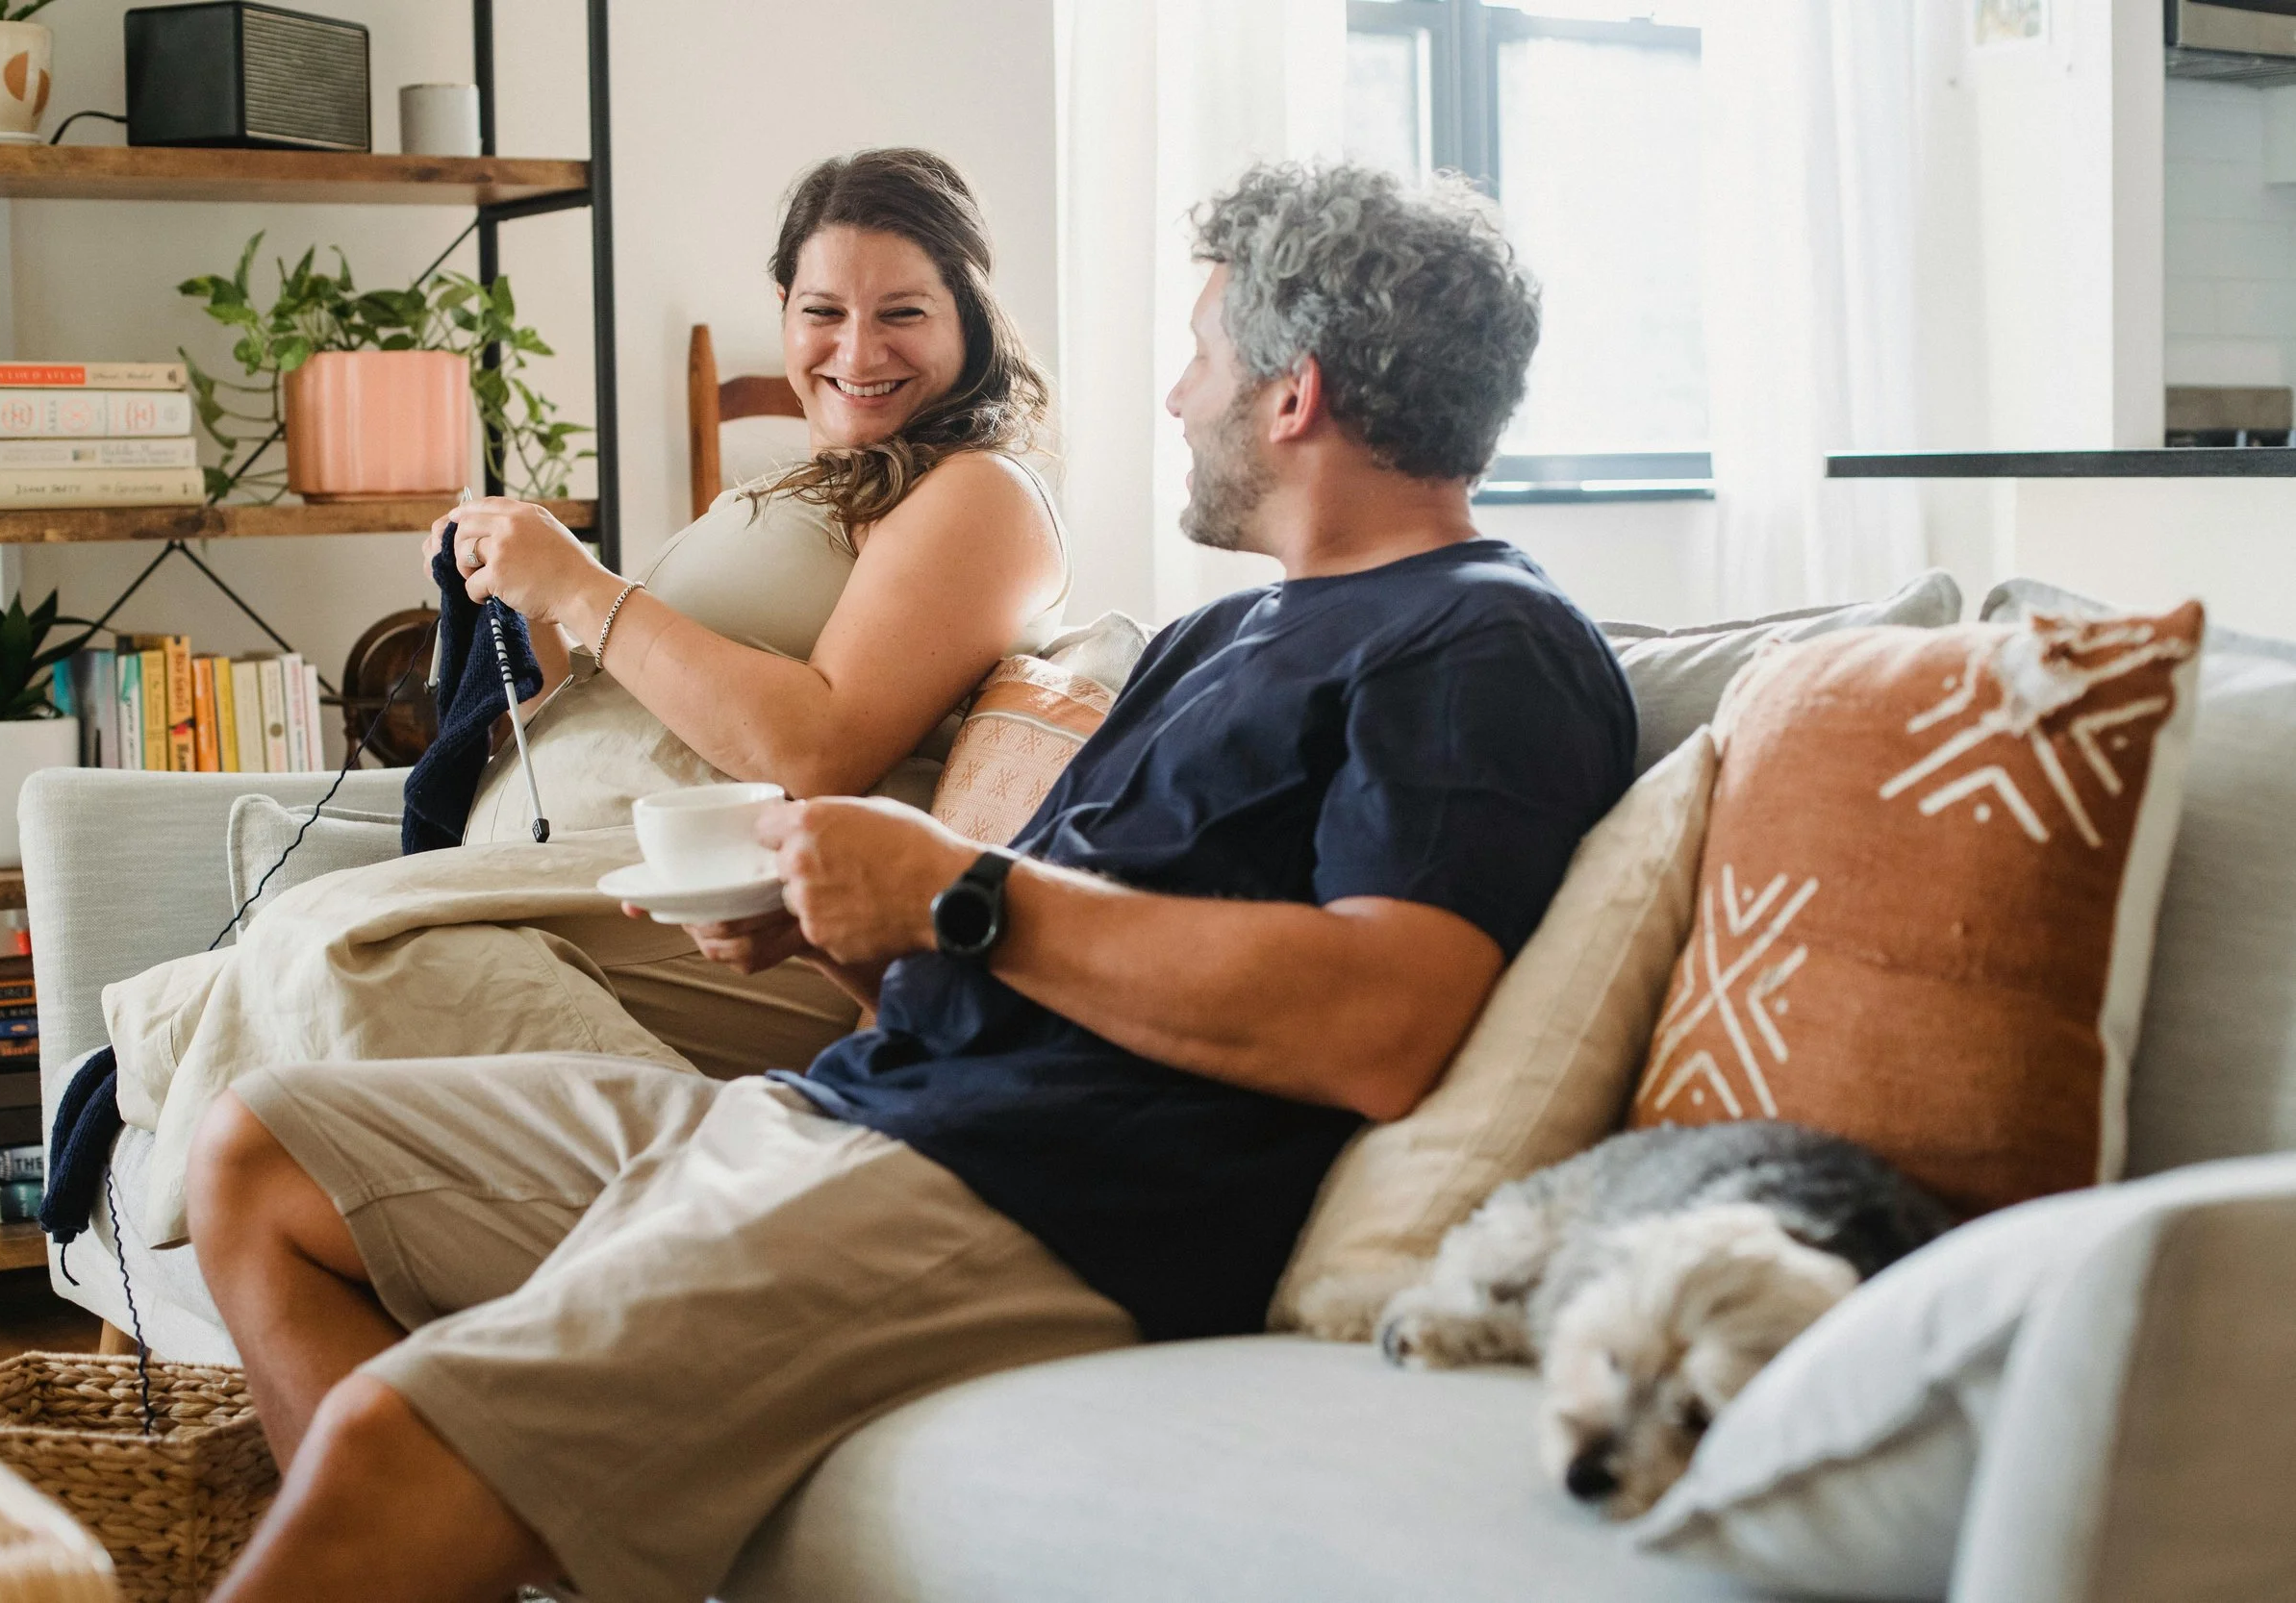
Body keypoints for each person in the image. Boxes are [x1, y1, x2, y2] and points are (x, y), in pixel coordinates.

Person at [186, 163, 1636, 1603]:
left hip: (1036, 1192)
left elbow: (1382, 1021)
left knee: (398, 1429)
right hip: (867, 1105)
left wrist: (959, 892)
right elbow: (1004, 955)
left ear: (1293, 392)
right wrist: (850, 932)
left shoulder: (1480, 643)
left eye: (1201, 358)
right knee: (262, 1151)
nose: (1180, 397)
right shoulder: (1230, 633)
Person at [92, 148, 1071, 1248]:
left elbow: (821, 746)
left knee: (330, 951)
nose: (856, 349)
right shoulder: (803, 482)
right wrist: (531, 604)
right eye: (822, 311)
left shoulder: (978, 493)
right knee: (242, 974)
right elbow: (641, 688)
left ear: (971, 322)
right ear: (783, 313)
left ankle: (724, 1203)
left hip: (734, 917)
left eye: (903, 312)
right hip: (593, 877)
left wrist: (585, 585)